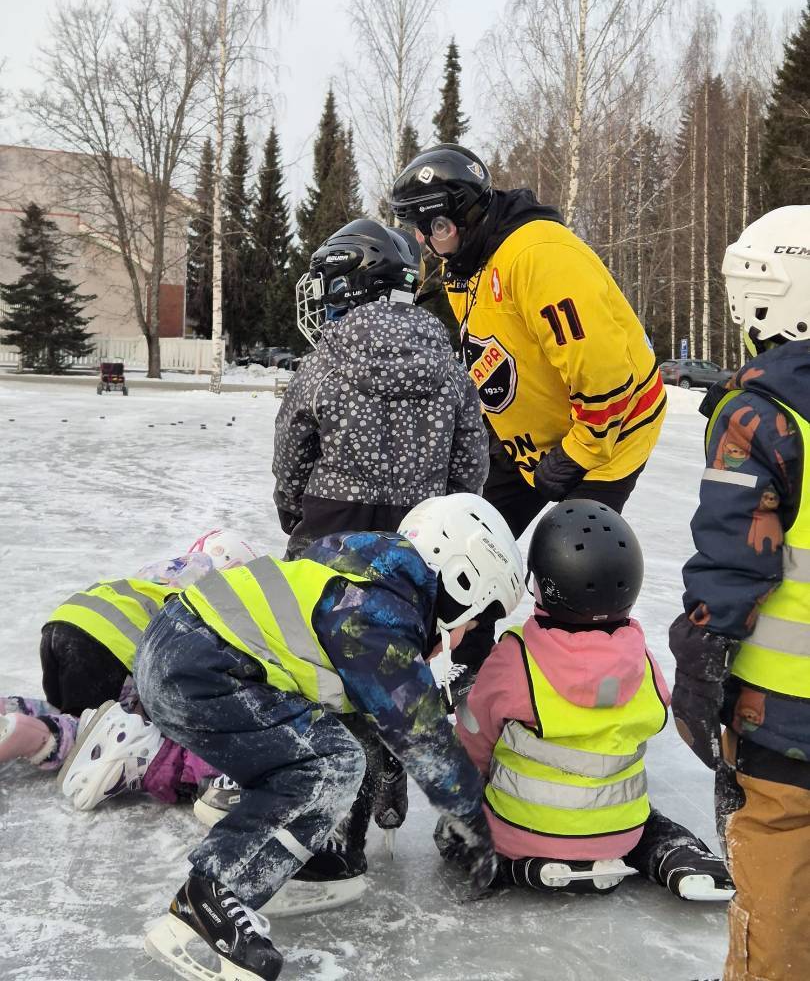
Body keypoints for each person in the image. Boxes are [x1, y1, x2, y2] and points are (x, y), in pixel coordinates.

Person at [121, 494, 524, 981]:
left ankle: (308, 857)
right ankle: (209, 896)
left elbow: (362, 713)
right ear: (462, 578)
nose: (465, 633)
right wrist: (477, 828)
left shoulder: (360, 565)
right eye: (475, 618)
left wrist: (352, 842)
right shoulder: (373, 609)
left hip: (181, 648)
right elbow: (420, 733)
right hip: (198, 667)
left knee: (338, 743)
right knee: (329, 764)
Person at [272, 218, 489, 868]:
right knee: (390, 673)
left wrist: (294, 518)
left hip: (329, 543)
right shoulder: (448, 360)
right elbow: (470, 468)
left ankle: (335, 836)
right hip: (412, 552)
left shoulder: (322, 357)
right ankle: (389, 756)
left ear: (350, 281)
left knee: (322, 683)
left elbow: (291, 456)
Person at [448, 500, 733, 902]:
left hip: (521, 829)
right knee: (648, 825)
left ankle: (522, 868)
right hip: (617, 831)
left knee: (455, 833)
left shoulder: (516, 658)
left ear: (542, 582)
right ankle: (672, 854)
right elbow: (655, 716)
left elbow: (474, 738)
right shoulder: (640, 659)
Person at [388, 144, 665, 542]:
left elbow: (604, 369)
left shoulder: (540, 258)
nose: (422, 241)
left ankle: (571, 606)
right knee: (458, 542)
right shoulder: (467, 262)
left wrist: (579, 453)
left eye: (427, 228)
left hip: (610, 430)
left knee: (571, 564)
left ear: (452, 222)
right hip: (530, 439)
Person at [670, 206, 810, 980]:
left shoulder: (764, 416)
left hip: (787, 713)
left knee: (782, 868)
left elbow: (732, 564)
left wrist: (697, 669)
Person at [0, 529, 256, 809]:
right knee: (108, 727)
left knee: (68, 708)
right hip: (114, 642)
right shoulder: (216, 589)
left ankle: (11, 711)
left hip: (67, 620)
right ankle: (38, 737)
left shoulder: (171, 570)